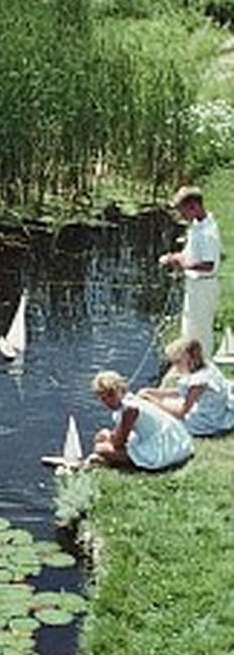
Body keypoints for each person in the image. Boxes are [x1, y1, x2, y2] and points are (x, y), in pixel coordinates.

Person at [159, 186, 222, 357]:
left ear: (194, 206)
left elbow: (208, 264)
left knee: (199, 331)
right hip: (195, 285)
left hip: (203, 286)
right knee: (190, 328)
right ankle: (193, 368)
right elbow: (192, 252)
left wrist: (182, 264)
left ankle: (203, 369)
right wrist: (175, 257)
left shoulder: (207, 232)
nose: (181, 216)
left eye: (183, 211)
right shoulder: (197, 224)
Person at [90, 370, 192, 470]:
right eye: (103, 398)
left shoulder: (129, 409)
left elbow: (118, 443)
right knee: (102, 437)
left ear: (121, 389)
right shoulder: (134, 399)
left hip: (163, 449)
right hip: (177, 441)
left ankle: (110, 461)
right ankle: (107, 460)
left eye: (111, 395)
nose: (108, 401)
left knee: (100, 448)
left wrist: (108, 436)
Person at [139, 338, 234, 437]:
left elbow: (180, 413)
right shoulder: (207, 367)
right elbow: (182, 392)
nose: (175, 367)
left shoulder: (199, 382)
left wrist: (152, 401)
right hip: (216, 412)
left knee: (162, 416)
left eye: (177, 362)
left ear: (188, 359)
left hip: (206, 422)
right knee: (167, 402)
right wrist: (154, 392)